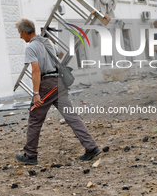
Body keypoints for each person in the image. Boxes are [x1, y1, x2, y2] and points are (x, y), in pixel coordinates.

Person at [14, 18, 101, 165]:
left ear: (24, 31)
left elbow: (35, 70)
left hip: (46, 86)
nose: (20, 37)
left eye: (19, 33)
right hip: (59, 83)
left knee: (35, 120)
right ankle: (92, 148)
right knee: (72, 117)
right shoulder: (47, 42)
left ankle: (30, 155)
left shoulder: (30, 48)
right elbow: (60, 55)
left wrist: (36, 94)